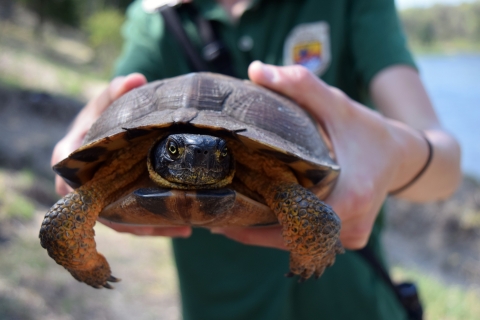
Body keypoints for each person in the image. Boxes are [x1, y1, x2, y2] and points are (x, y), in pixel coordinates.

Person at [51, 0, 461, 319]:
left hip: (350, 303)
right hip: (221, 306)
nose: (196, 157)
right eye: (176, 150)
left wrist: (400, 155)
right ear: (159, 152)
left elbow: (447, 165)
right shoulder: (158, 16)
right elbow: (107, 107)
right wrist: (77, 144)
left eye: (214, 154)